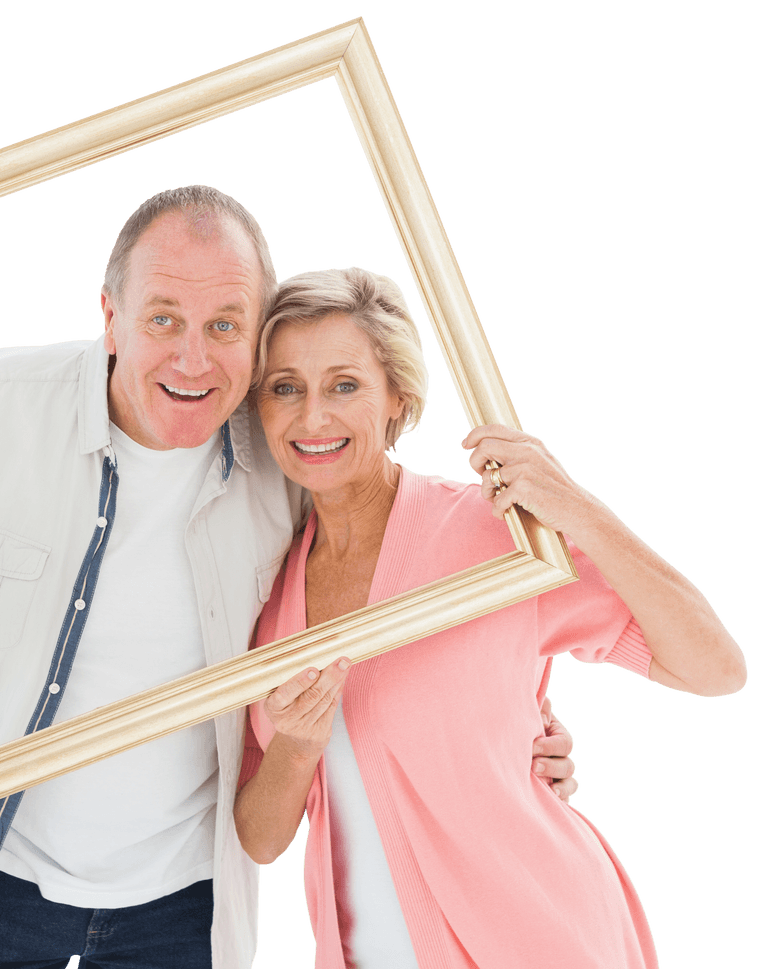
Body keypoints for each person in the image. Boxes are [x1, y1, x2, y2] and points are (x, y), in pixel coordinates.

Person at [0, 187, 579, 969]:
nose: (193, 359)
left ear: (257, 336)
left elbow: (394, 562)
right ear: (110, 316)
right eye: (163, 319)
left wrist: (515, 723)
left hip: (183, 906)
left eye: (225, 325)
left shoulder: (290, 452)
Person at [235, 266, 748, 969]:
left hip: (547, 942)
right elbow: (261, 839)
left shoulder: (492, 534)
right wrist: (296, 747)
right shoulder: (268, 597)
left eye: (345, 385)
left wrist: (574, 506)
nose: (313, 417)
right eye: (285, 387)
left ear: (397, 396)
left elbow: (716, 668)